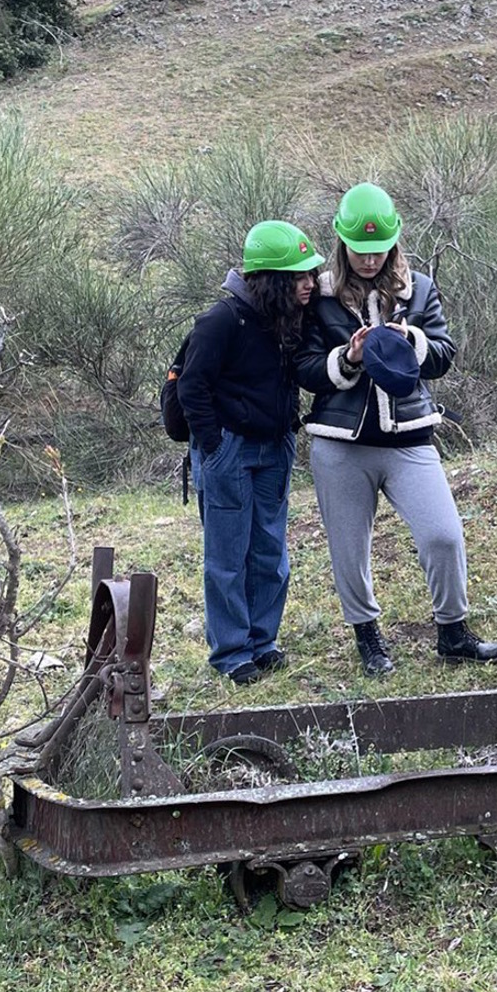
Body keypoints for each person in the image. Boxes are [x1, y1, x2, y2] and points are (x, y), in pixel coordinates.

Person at [297, 183, 497, 675]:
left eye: (379, 249)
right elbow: (302, 369)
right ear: (342, 244)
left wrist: (408, 340)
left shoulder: (421, 288)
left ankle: (453, 632)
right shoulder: (319, 297)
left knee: (443, 535)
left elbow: (443, 355)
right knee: (350, 548)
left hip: (411, 437)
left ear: (394, 242)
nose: (369, 259)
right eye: (360, 250)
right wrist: (346, 357)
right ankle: (368, 639)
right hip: (340, 443)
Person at [179, 219, 324, 686]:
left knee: (270, 552)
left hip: (275, 448)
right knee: (227, 555)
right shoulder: (222, 320)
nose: (309, 284)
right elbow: (192, 387)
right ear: (274, 280)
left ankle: (263, 643)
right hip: (230, 451)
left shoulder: (290, 318)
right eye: (299, 276)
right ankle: (232, 653)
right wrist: (214, 444)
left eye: (311, 275)